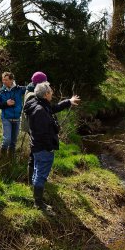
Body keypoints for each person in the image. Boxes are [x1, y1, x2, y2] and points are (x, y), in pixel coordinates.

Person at [23, 82, 81, 212]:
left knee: (38, 170)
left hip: (37, 146)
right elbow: (43, 133)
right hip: (43, 147)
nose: (52, 93)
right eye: (50, 91)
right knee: (41, 174)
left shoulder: (37, 103)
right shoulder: (40, 111)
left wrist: (68, 102)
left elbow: (52, 108)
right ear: (46, 94)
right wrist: (49, 147)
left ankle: (34, 192)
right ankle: (38, 203)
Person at [20, 71, 48, 184]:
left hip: (31, 126)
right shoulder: (32, 94)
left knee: (35, 152)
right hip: (33, 127)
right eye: (44, 82)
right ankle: (32, 181)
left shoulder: (31, 89)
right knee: (35, 153)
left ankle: (34, 179)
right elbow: (34, 113)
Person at [0, 72, 26, 157]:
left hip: (17, 118)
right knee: (7, 140)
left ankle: (10, 159)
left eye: (6, 80)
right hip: (6, 118)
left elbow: (30, 88)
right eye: (3, 79)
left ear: (12, 80)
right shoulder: (0, 91)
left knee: (14, 142)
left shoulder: (19, 89)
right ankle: (3, 157)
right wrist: (6, 103)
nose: (4, 81)